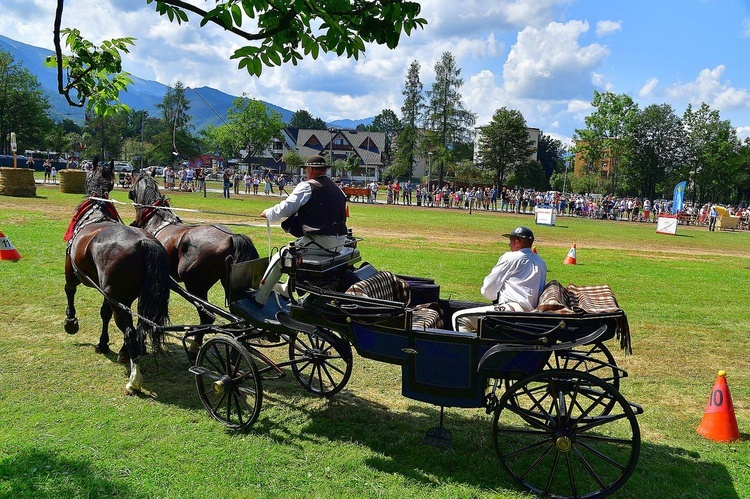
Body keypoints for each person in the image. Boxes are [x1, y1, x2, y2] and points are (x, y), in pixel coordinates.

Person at [255, 155, 349, 305]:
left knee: (281, 257)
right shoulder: (337, 188)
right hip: (339, 242)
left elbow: (287, 208)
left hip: (322, 241)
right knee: (296, 247)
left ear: (311, 169)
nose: (306, 172)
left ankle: (259, 297)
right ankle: (286, 288)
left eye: (306, 169)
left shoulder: (307, 186)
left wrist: (269, 213)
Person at [452, 226, 547, 332]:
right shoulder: (541, 262)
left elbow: (489, 288)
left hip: (513, 310)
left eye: (510, 240)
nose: (509, 244)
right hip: (531, 313)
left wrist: (493, 297)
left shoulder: (510, 257)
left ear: (517, 242)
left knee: (459, 318)